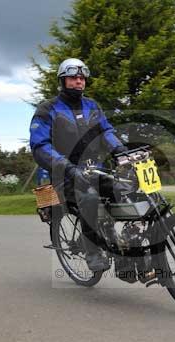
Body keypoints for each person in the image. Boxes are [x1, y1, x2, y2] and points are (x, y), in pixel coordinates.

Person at [29, 58, 129, 272]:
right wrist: (67, 168)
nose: (79, 81)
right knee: (90, 198)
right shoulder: (48, 109)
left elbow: (106, 132)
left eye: (82, 78)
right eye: (74, 77)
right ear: (63, 80)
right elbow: (40, 146)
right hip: (63, 175)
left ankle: (121, 249)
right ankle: (92, 251)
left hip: (94, 169)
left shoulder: (92, 105)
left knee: (124, 191)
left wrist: (120, 150)